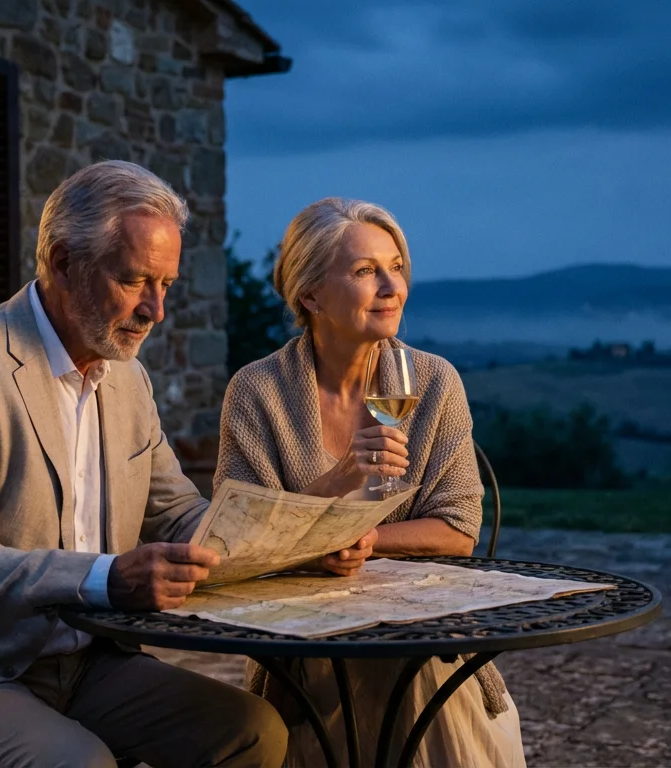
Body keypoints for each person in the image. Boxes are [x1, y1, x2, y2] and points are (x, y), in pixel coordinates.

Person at [0, 161, 295, 768]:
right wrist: (108, 579)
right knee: (77, 764)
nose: (156, 310)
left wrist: (293, 541)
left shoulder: (126, 378)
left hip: (84, 661)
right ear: (62, 261)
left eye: (167, 285)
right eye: (134, 281)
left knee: (254, 731)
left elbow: (177, 512)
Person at [215, 198, 527, 767]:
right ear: (310, 295)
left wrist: (365, 542)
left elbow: (459, 530)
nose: (392, 286)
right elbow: (237, 539)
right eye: (365, 271)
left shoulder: (431, 382)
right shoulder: (257, 392)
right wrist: (338, 480)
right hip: (303, 640)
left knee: (419, 674)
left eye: (396, 266)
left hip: (416, 630)